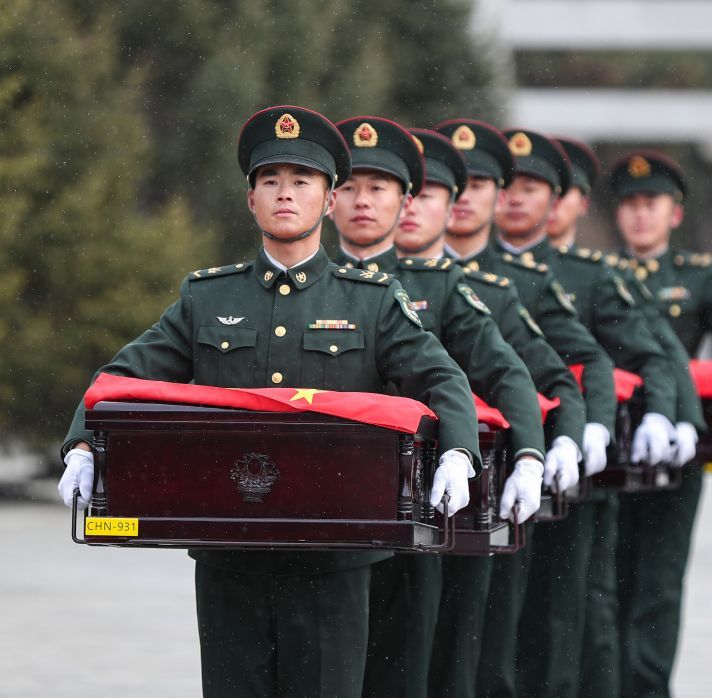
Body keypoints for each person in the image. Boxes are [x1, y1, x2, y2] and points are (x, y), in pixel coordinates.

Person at [57, 105, 482, 698]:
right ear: (250, 200)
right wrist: (81, 444)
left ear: (328, 201)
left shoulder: (372, 301)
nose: (285, 193)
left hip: (334, 554)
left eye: (302, 181)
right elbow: (122, 376)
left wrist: (459, 452)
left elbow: (442, 378)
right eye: (271, 181)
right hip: (230, 553)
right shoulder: (207, 298)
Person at [325, 116, 546, 698]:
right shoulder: (306, 288)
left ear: (404, 203)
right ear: (327, 200)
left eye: (378, 189)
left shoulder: (440, 287)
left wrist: (529, 455)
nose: (362, 203)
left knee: (407, 669)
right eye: (349, 187)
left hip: (414, 501)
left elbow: (507, 374)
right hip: (325, 504)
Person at [493, 132, 687, 698]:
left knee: (572, 608)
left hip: (571, 463)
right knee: (495, 617)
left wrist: (666, 418)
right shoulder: (466, 272)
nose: (515, 199)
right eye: (506, 186)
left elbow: (645, 356)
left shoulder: (589, 274)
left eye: (532, 188)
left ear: (561, 201)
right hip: (492, 460)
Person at [434, 118, 619, 697]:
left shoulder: (519, 284)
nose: (464, 198)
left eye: (479, 185)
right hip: (412, 472)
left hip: (500, 474)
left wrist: (575, 432)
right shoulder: (392, 279)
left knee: (499, 638)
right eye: (450, 185)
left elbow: (570, 369)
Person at [608, 150, 712, 697]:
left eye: (651, 203)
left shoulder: (697, 277)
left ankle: (649, 688)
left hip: (679, 442)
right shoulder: (598, 274)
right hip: (610, 444)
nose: (640, 214)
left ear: (675, 213)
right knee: (605, 580)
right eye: (630, 204)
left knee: (659, 581)